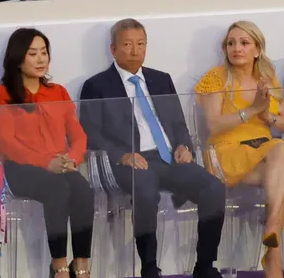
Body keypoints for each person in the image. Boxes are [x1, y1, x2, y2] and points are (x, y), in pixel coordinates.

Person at [79, 19, 225, 278]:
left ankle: (205, 266)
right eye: (127, 44)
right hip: (128, 162)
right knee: (145, 187)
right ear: (113, 49)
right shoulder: (97, 85)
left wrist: (184, 146)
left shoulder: (161, 79)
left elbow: (179, 123)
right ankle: (149, 267)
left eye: (141, 44)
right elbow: (90, 133)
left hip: (168, 159)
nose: (135, 50)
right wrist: (121, 155)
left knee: (213, 187)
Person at [194, 21, 284, 278]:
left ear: (257, 49)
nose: (237, 48)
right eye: (231, 43)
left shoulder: (268, 78)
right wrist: (252, 110)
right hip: (226, 151)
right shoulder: (216, 77)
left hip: (264, 155)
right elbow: (213, 125)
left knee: (279, 148)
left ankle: (271, 240)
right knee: (282, 162)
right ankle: (273, 248)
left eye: (244, 43)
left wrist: (268, 115)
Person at [0, 28, 93, 277]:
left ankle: (82, 265)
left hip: (60, 166)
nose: (40, 59)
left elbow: (78, 135)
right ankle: (59, 267)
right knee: (57, 188)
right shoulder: (1, 95)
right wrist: (47, 163)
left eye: (44, 53)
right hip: (19, 169)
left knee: (83, 190)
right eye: (32, 53)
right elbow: (6, 143)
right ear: (17, 58)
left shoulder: (58, 92)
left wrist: (72, 159)